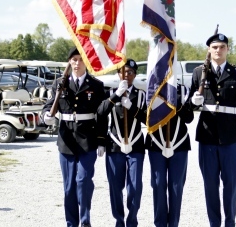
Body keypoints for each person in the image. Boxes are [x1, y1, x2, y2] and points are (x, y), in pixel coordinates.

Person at [189, 33, 236, 227]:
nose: (218, 50)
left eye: (222, 47)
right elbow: (189, 106)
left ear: (227, 49)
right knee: (210, 185)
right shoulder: (199, 72)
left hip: (230, 136)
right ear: (209, 50)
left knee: (231, 184)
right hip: (207, 135)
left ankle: (230, 223)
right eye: (215, 47)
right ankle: (214, 223)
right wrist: (193, 103)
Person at [42, 47, 107, 227]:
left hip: (88, 140)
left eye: (80, 59)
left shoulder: (96, 85)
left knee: (84, 181)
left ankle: (85, 221)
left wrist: (102, 140)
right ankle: (72, 223)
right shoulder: (59, 84)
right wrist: (46, 115)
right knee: (69, 186)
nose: (77, 63)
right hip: (66, 141)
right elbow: (48, 106)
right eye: (74, 59)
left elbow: (102, 115)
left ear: (86, 62)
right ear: (69, 62)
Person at [97, 59, 146, 227]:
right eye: (123, 72)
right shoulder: (111, 92)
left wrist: (131, 107)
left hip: (136, 146)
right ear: (118, 74)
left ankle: (132, 220)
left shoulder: (141, 95)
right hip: (115, 145)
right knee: (115, 187)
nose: (127, 76)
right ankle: (119, 220)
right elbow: (101, 113)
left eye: (130, 73)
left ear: (135, 75)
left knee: (135, 187)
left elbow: (147, 119)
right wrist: (117, 94)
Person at [145, 83, 194, 227]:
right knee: (158, 184)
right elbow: (145, 118)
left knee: (176, 185)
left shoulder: (183, 90)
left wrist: (176, 103)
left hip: (179, 142)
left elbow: (189, 118)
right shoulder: (151, 88)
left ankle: (173, 223)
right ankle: (160, 223)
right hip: (156, 142)